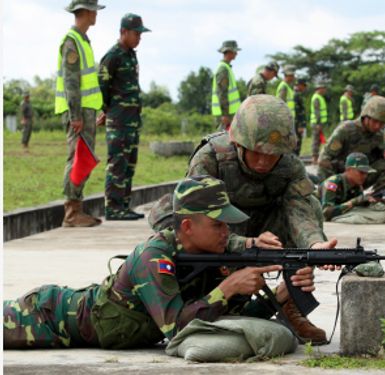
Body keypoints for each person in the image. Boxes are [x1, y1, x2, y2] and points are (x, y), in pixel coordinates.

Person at [3, 175, 317, 349]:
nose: (227, 232)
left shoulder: (209, 255)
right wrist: (227, 287)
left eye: (227, 224)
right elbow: (176, 327)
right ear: (187, 227)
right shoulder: (154, 256)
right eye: (218, 224)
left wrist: (276, 299)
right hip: (46, 317)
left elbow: (218, 319)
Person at [149, 95, 335, 344]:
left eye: (272, 155)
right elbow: (197, 217)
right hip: (219, 228)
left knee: (311, 204)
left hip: (264, 231)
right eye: (256, 152)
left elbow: (299, 211)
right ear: (238, 142)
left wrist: (314, 246)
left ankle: (291, 305)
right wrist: (243, 243)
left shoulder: (290, 166)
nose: (263, 162)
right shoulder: (211, 158)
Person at [54, 0, 105, 228]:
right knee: (77, 158)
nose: (96, 14)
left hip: (86, 111)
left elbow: (87, 83)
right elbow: (71, 83)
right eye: (94, 10)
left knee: (83, 158)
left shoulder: (83, 40)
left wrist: (96, 110)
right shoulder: (72, 42)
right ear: (85, 12)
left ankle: (77, 209)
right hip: (78, 112)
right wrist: (76, 115)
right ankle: (72, 213)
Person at [98, 13, 150, 220]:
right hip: (118, 121)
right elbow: (102, 86)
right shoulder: (113, 56)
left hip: (131, 121)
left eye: (140, 34)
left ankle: (124, 206)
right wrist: (105, 110)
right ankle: (113, 208)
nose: (139, 38)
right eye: (136, 33)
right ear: (123, 32)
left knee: (129, 165)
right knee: (117, 164)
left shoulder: (130, 55)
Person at [318, 96, 385, 193]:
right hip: (339, 179)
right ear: (366, 116)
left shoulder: (378, 135)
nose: (377, 126)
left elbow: (383, 153)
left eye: (382, 123)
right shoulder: (346, 130)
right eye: (375, 121)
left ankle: (378, 197)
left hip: (359, 178)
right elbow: (324, 160)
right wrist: (330, 188)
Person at [211, 40, 241, 131]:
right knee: (222, 141)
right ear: (229, 52)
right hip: (226, 115)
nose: (236, 53)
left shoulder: (227, 68)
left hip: (230, 114)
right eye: (235, 51)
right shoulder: (223, 69)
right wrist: (225, 114)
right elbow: (222, 93)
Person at [310, 82, 328, 165]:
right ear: (319, 88)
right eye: (323, 88)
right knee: (316, 140)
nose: (325, 90)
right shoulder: (316, 97)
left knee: (318, 140)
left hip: (319, 123)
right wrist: (318, 124)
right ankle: (314, 158)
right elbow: (317, 112)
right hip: (317, 123)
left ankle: (316, 157)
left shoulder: (319, 97)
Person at [293, 78, 308, 155]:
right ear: (299, 85)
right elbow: (298, 111)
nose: (305, 88)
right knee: (297, 143)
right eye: (304, 86)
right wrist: (301, 125)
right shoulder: (297, 95)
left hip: (295, 123)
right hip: (297, 123)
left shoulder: (296, 93)